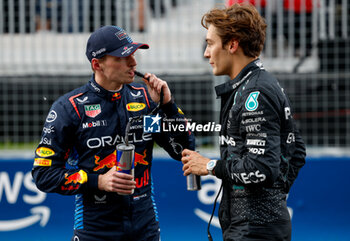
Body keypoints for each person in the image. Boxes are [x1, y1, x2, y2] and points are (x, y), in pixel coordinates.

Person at [32, 25, 195, 241]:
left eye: (133, 54)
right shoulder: (69, 108)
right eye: (122, 57)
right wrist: (97, 181)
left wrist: (168, 106)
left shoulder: (146, 99)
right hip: (95, 230)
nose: (133, 63)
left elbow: (183, 150)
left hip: (145, 227)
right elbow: (43, 175)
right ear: (97, 64)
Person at [181, 4, 306, 241]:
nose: (206, 53)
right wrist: (273, 196)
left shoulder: (255, 92)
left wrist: (209, 166)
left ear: (232, 44)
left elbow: (262, 168)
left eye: (210, 43)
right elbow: (296, 151)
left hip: (254, 229)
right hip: (253, 226)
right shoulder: (256, 84)